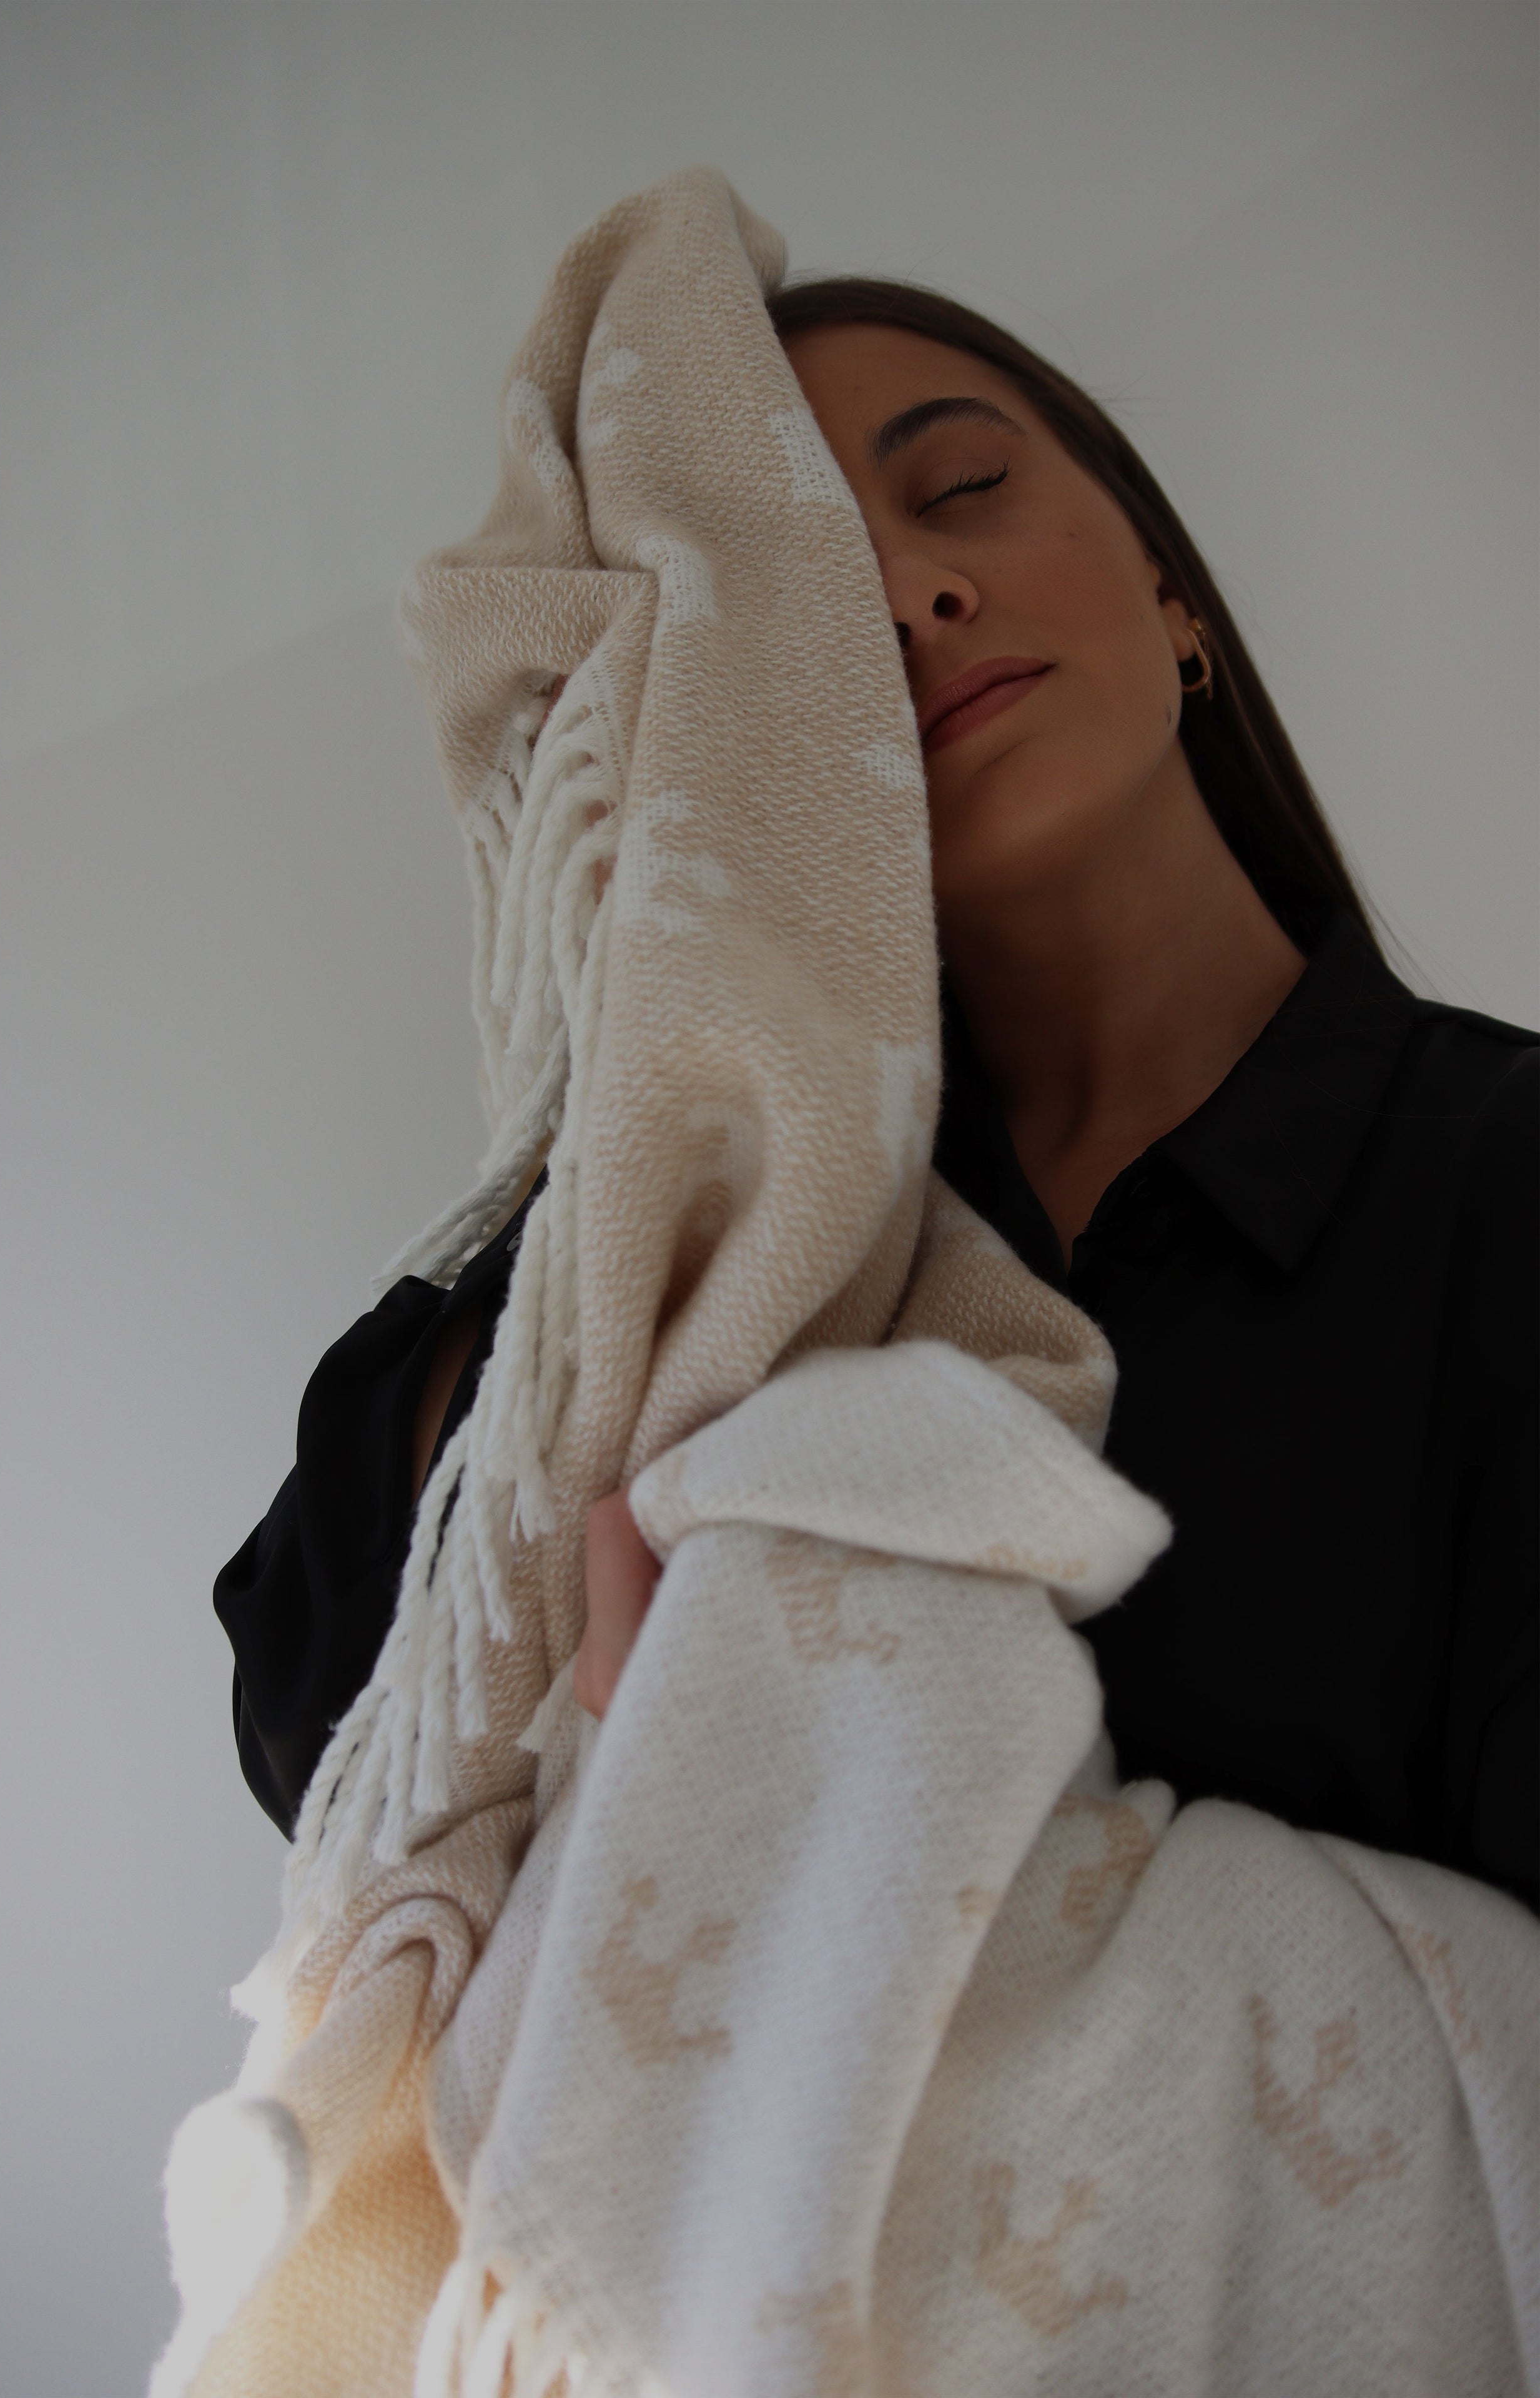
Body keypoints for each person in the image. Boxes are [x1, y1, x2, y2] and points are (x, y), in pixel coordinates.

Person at [215, 278, 1536, 1910]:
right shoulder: (742, 1244)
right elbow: (328, 1731)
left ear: (1172, 591)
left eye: (963, 488)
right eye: (812, 587)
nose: (913, 592)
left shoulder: (1500, 1191)